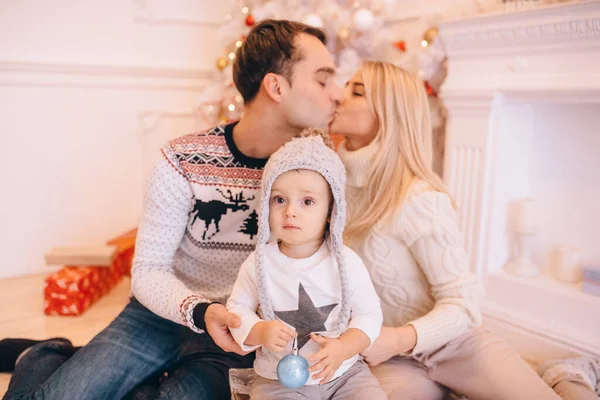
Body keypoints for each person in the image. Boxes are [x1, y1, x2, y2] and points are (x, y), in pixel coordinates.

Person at [2, 19, 343, 400]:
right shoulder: (181, 158)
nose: (338, 94)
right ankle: (43, 353)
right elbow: (148, 271)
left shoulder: (319, 170)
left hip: (236, 334)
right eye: (323, 79)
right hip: (159, 317)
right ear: (276, 86)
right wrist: (198, 311)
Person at [329, 60, 600, 400]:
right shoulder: (329, 182)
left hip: (454, 343)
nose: (338, 96)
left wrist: (400, 337)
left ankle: (568, 376)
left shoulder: (420, 199)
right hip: (394, 358)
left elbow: (463, 303)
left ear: (389, 113)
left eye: (356, 92)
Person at [226, 134, 386, 399]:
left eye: (307, 202)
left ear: (330, 211)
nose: (290, 211)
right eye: (279, 199)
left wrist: (344, 347)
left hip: (344, 375)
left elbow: (369, 314)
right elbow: (237, 308)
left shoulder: (345, 262)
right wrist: (259, 330)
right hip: (277, 378)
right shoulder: (259, 263)